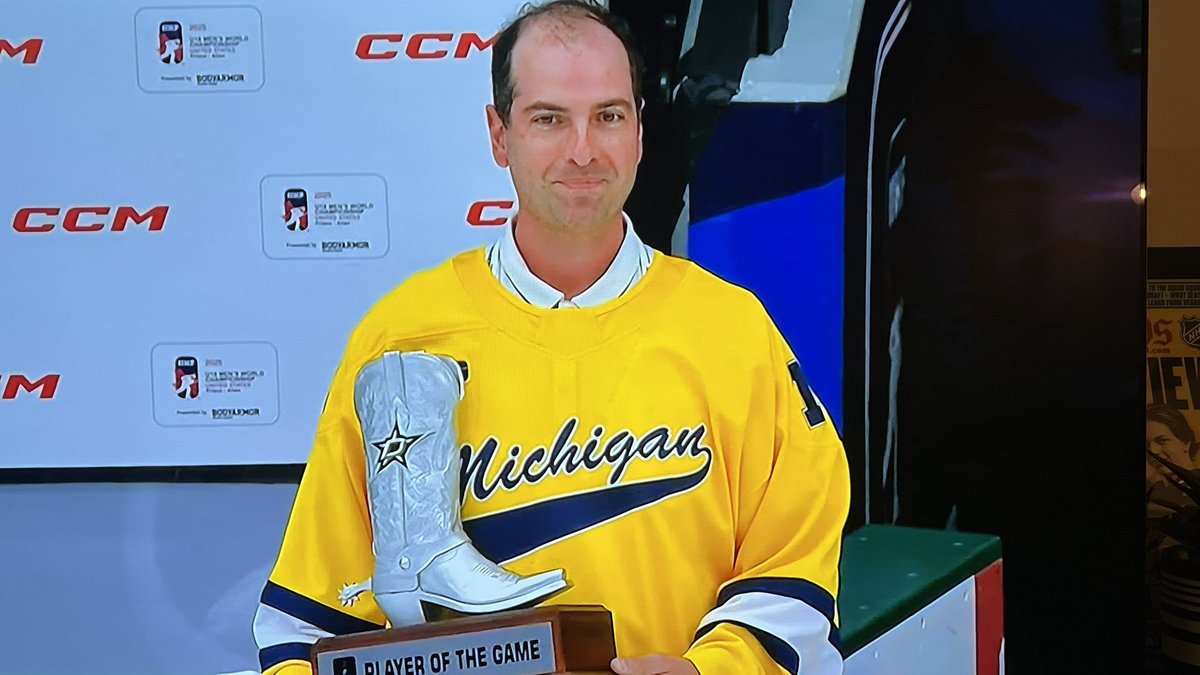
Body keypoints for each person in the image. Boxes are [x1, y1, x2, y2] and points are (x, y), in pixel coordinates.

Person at [252, 2, 850, 674]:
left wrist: (708, 670)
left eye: (609, 116)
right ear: (499, 134)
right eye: (548, 119)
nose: (583, 150)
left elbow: (796, 575)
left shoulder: (733, 331)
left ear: (641, 131)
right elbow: (307, 623)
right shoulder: (403, 337)